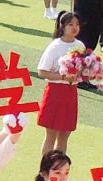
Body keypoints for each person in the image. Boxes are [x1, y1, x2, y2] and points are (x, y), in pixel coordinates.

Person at [35, 11, 85, 159]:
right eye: (71, 24)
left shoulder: (80, 45)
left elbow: (83, 68)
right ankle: (46, 167)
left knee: (64, 135)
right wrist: (63, 76)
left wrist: (88, 73)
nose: (74, 27)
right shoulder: (55, 46)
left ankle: (59, 166)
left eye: (77, 24)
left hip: (71, 92)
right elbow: (42, 71)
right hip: (55, 92)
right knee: (51, 135)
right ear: (62, 26)